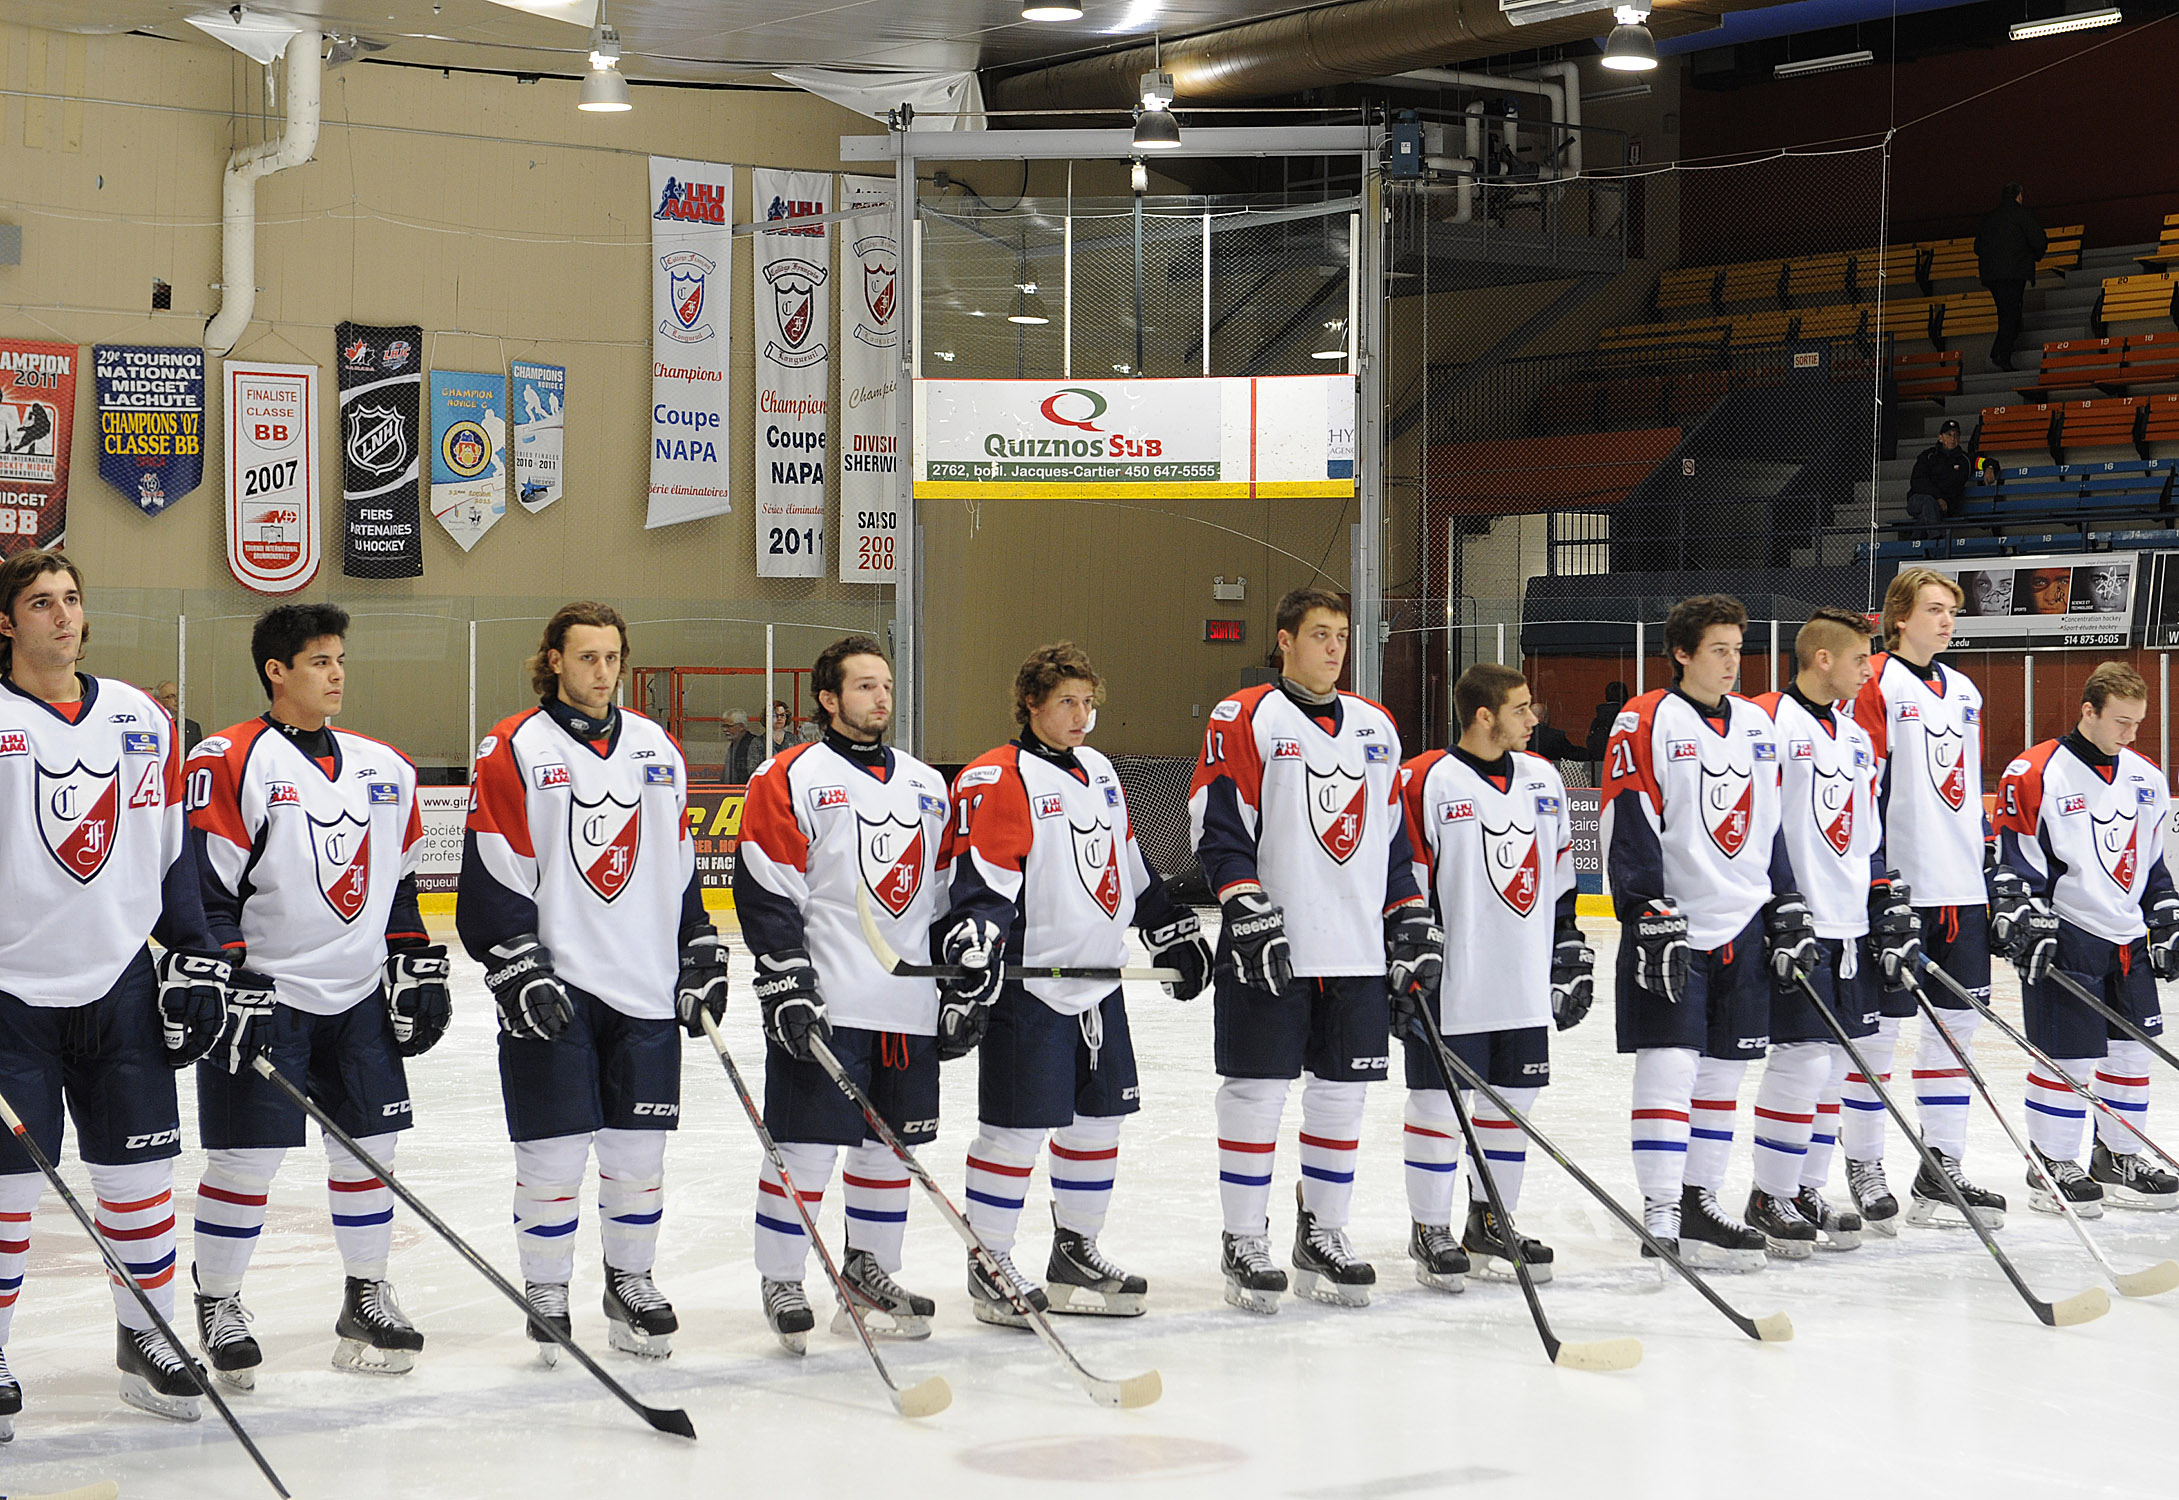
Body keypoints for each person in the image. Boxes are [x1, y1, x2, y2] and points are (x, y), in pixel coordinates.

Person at [184, 604, 448, 1388]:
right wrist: (230, 977)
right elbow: (206, 890)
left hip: (357, 998)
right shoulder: (229, 759)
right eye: (319, 661)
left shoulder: (384, 766)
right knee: (246, 1160)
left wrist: (413, 961)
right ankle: (218, 1300)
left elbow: (399, 886)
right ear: (277, 670)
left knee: (370, 1152)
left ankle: (366, 1292)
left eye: (340, 659)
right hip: (266, 998)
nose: (336, 674)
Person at [459, 601, 727, 1363]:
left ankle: (629, 1283)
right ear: (553, 660)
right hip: (558, 987)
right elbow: (495, 867)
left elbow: (678, 863)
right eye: (586, 657)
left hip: (643, 985)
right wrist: (514, 962)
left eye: (612, 657)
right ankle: (546, 1291)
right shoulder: (513, 746)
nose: (602, 672)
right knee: (552, 1156)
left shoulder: (654, 745)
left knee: (638, 1156)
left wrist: (698, 942)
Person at [0, 548, 229, 1431]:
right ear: (9, 623)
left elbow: (170, 855)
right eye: (41, 603)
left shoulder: (141, 717)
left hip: (118, 985)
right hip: (11, 995)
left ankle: (149, 1340)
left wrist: (195, 958)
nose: (64, 616)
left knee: (139, 1176)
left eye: (72, 600)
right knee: (9, 1188)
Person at [941, 643, 1212, 1325]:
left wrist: (1166, 925)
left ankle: (1075, 1254)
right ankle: (990, 1264)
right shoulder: (995, 777)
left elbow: (1126, 859)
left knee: (1099, 1122)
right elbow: (983, 883)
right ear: (1030, 703)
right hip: (1029, 988)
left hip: (1097, 982)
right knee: (1014, 1133)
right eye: (1067, 701)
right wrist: (973, 949)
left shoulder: (1098, 771)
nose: (1081, 716)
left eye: (1089, 703)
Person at [1189, 587, 1435, 1312]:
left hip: (1355, 949)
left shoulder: (1375, 725)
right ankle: (1244, 1239)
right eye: (1319, 634)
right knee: (1257, 1093)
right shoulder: (1244, 716)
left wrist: (1409, 914)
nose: (1333, 647)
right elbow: (1217, 820)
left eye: (1340, 636)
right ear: (1284, 640)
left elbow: (1392, 834)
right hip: (1273, 944)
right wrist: (1243, 903)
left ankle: (1323, 1231)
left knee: (1341, 1097)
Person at [734, 636, 952, 1352]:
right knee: (803, 1148)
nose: (879, 698)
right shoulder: (789, 774)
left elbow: (943, 897)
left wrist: (958, 980)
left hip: (908, 1005)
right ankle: (783, 1277)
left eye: (885, 685)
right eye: (863, 686)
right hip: (827, 1000)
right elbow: (767, 885)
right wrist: (785, 975)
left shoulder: (927, 783)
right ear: (827, 700)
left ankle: (869, 1272)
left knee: (891, 1151)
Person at [1603, 593, 1813, 1269]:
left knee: (1724, 1072)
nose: (1731, 663)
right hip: (1673, 926)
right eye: (1717, 650)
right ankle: (1661, 1207)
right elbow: (1627, 822)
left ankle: (1699, 1201)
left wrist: (1784, 900)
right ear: (1682, 653)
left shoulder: (1756, 724)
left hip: (1744, 924)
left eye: (1737, 649)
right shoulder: (1643, 721)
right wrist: (1642, 909)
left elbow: (1771, 823)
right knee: (1668, 1067)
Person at [1396, 664, 1588, 1289]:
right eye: (1523, 708)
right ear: (1485, 716)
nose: (1534, 719)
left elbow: (1559, 880)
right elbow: (1406, 881)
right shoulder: (1426, 779)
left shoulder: (1543, 778)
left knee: (1512, 1105)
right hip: (1455, 985)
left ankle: (1490, 1219)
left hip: (1522, 981)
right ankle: (1430, 1228)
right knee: (1437, 1108)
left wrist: (1568, 947)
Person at [1849, 568, 2005, 1230]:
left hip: (1961, 890)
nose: (1946, 621)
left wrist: (1990, 863)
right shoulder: (1874, 683)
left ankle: (1940, 1169)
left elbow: (1967, 790)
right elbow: (1862, 792)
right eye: (1934, 609)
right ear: (1898, 616)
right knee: (1878, 1035)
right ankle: (1864, 1165)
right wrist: (1878, 880)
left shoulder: (1964, 690)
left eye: (1951, 611)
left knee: (1956, 1032)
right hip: (1900, 891)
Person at [1997, 662, 2179, 1214]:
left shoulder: (2147, 777)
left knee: (2131, 1054)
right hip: (2068, 933)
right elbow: (2017, 863)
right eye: (2120, 721)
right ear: (2088, 711)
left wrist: (2166, 919)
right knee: (2067, 1058)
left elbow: (2151, 866)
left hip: (2127, 939)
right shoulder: (2034, 771)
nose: (2130, 734)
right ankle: (2050, 1164)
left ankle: (2118, 1157)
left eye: (2138, 723)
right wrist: (2025, 918)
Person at [1750, 607, 1897, 1254]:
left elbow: (1865, 835)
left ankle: (1806, 1186)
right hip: (1794, 919)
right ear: (1821, 660)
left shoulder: (1857, 737)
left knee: (1838, 1063)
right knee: (1800, 1058)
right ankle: (1768, 1193)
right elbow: (1755, 825)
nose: (1869, 671)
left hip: (1848, 923)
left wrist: (1882, 900)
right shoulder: (1766, 723)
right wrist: (1779, 905)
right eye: (1860, 659)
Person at [1975, 183, 2046, 372]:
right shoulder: (2023, 215)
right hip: (2015, 272)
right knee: (2011, 313)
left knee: (2005, 312)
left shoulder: (1989, 218)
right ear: (2019, 196)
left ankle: (1998, 351)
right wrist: (2033, 256)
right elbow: (2039, 240)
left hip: (1992, 275)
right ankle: (2001, 354)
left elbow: (1977, 247)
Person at [1903, 421, 1972, 545]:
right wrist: (1937, 497)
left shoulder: (1964, 459)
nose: (1952, 438)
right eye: (1949, 435)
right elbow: (1917, 481)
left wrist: (1989, 466)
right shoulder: (1928, 456)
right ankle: (1936, 540)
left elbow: (1980, 461)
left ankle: (1915, 541)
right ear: (1941, 437)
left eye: (1956, 435)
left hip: (1945, 505)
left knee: (1928, 511)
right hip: (1918, 500)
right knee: (1929, 502)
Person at [153, 680, 203, 754]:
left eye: (178, 695)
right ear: (159, 701)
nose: (177, 699)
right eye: (171, 696)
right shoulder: (153, 726)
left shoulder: (192, 727)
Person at [724, 709, 762, 784]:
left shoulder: (753, 744)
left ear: (741, 727)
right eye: (724, 726)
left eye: (729, 726)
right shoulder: (735, 744)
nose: (725, 730)